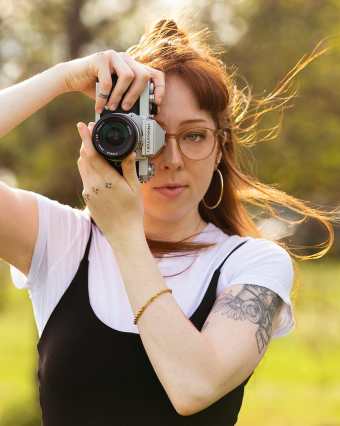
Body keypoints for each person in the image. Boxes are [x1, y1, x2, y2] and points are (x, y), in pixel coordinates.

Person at [0, 18, 336, 425]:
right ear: (115, 138)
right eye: (152, 135)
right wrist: (64, 77)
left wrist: (124, 233)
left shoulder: (251, 263)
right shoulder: (64, 241)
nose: (172, 160)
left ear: (219, 148)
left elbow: (193, 386)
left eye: (194, 136)